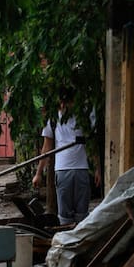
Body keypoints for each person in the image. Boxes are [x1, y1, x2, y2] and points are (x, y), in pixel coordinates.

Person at [32, 88, 100, 225]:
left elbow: (91, 144)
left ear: (74, 101)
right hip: (62, 171)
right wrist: (38, 173)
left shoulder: (84, 117)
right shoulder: (52, 119)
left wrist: (98, 168)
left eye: (67, 102)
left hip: (82, 169)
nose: (63, 106)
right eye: (61, 102)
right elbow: (47, 147)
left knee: (82, 215)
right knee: (64, 216)